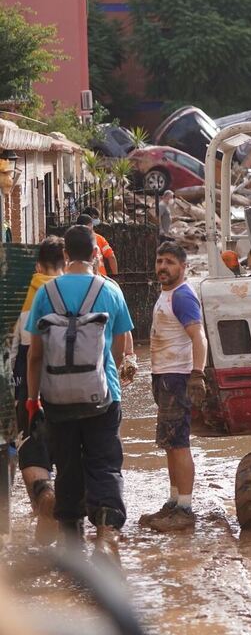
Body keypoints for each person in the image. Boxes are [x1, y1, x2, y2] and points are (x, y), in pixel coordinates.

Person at [25, 224, 134, 561]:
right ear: (96, 254)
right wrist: (106, 374)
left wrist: (33, 399)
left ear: (66, 255)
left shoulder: (47, 293)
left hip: (57, 399)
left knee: (68, 465)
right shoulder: (110, 290)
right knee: (104, 464)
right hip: (103, 395)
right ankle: (105, 534)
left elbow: (35, 356)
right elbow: (119, 347)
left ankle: (71, 545)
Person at [139, 241, 207, 533]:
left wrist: (197, 374)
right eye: (159, 261)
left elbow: (199, 337)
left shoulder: (182, 296)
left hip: (178, 377)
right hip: (164, 376)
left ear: (183, 267)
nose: (163, 267)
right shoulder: (167, 294)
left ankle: (186, 508)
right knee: (169, 442)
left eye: (169, 262)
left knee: (179, 443)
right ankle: (173, 501)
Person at [12, 236, 65, 545]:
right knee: (69, 448)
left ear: (36, 263)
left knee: (31, 446)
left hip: (29, 383)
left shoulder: (21, 292)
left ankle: (43, 495)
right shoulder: (76, 290)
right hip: (76, 385)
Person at [76, 212, 118, 276]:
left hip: (80, 278)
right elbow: (111, 257)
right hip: (100, 278)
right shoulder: (99, 238)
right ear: (90, 225)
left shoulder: (73, 240)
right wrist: (115, 275)